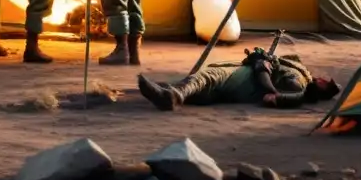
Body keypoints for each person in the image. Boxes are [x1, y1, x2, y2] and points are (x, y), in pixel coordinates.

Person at [136, 50, 341, 111]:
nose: (322, 78)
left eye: (325, 82)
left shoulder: (299, 80)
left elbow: (286, 92)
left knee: (207, 77)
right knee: (203, 87)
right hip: (245, 76)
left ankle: (174, 95)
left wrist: (263, 65)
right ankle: (171, 91)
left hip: (247, 80)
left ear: (322, 86)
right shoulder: (301, 70)